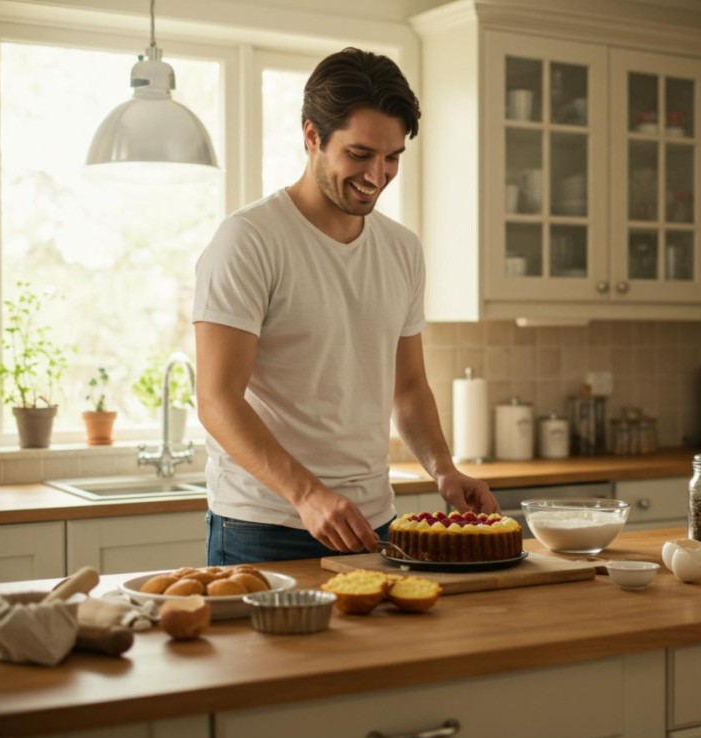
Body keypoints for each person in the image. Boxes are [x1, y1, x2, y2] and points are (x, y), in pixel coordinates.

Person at [192, 47, 499, 565]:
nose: (377, 176)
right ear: (312, 136)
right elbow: (217, 399)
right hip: (264, 524)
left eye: (393, 157)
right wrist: (308, 495)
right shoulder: (248, 240)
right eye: (359, 155)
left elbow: (408, 388)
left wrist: (443, 469)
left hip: (373, 521)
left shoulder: (401, 249)